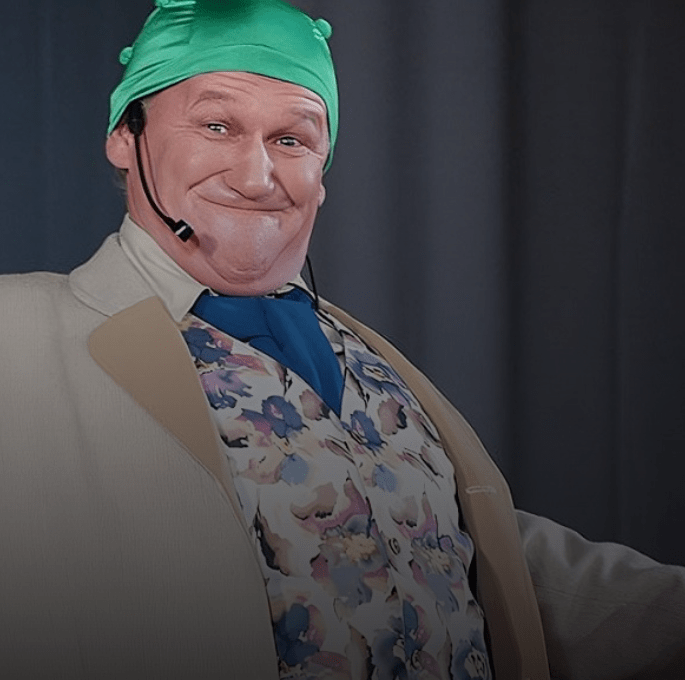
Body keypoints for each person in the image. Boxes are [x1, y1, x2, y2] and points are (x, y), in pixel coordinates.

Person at [0, 1, 683, 678]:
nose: (256, 177)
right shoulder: (17, 333)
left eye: (291, 140)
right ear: (125, 136)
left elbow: (467, 560)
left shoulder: (371, 360)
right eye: (217, 126)